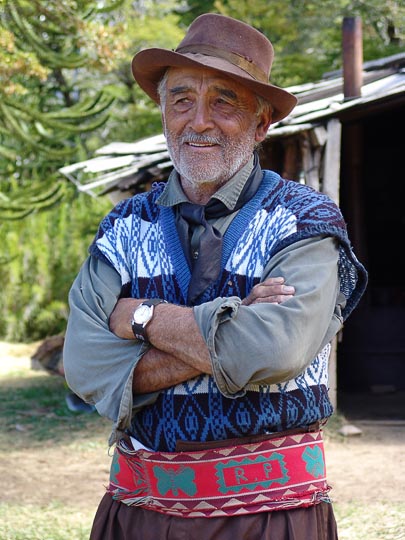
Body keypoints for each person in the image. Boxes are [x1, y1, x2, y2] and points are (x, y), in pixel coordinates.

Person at [63, 12, 367, 540]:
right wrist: (234, 322)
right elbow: (85, 366)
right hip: (138, 514)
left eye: (224, 101)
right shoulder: (124, 225)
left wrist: (140, 316)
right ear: (163, 113)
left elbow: (273, 353)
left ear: (261, 123)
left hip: (272, 518)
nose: (198, 120)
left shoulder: (307, 220)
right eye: (181, 99)